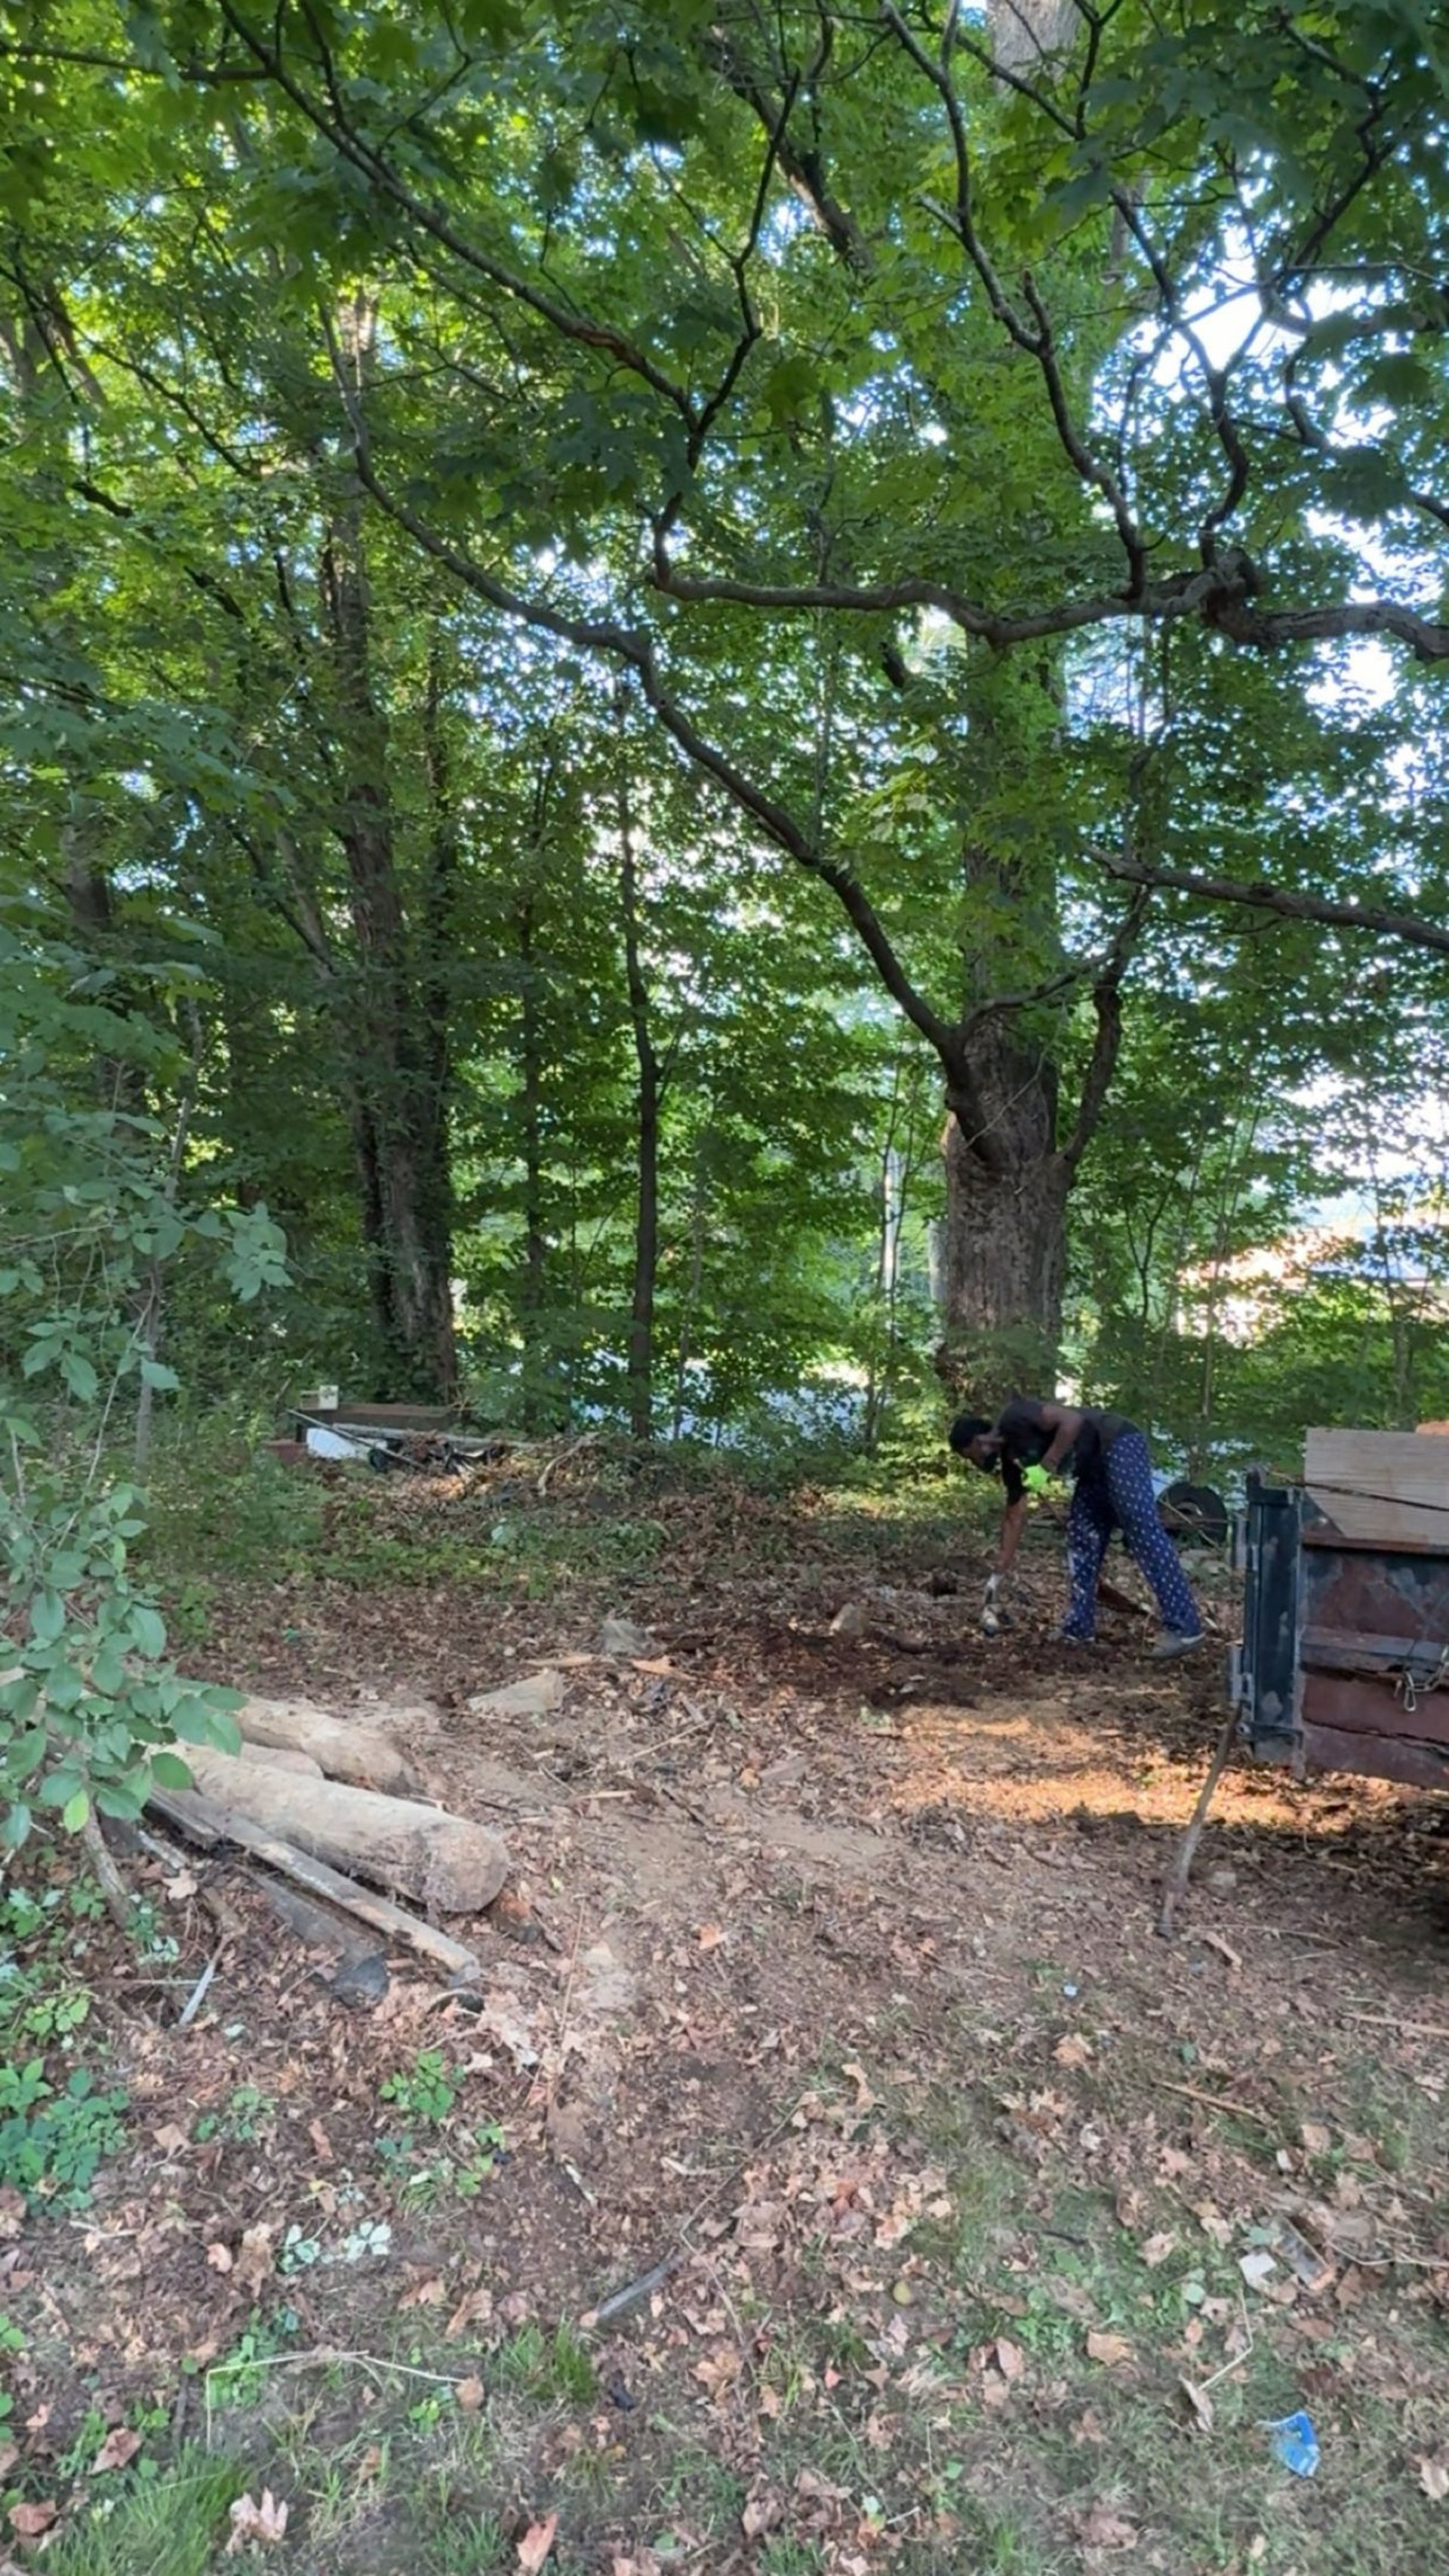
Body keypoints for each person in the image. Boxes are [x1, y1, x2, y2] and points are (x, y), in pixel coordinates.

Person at [949, 1395, 1204, 1657]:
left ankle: (1186, 1628)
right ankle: (1079, 1629)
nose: (976, 1465)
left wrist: (1046, 1466)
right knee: (1082, 1537)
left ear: (977, 1442)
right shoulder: (1012, 1464)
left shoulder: (1016, 1416)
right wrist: (996, 1578)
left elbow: (1072, 1420)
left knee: (1140, 1527)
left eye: (971, 1458)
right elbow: (1014, 1517)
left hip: (1118, 1442)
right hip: (1090, 1469)